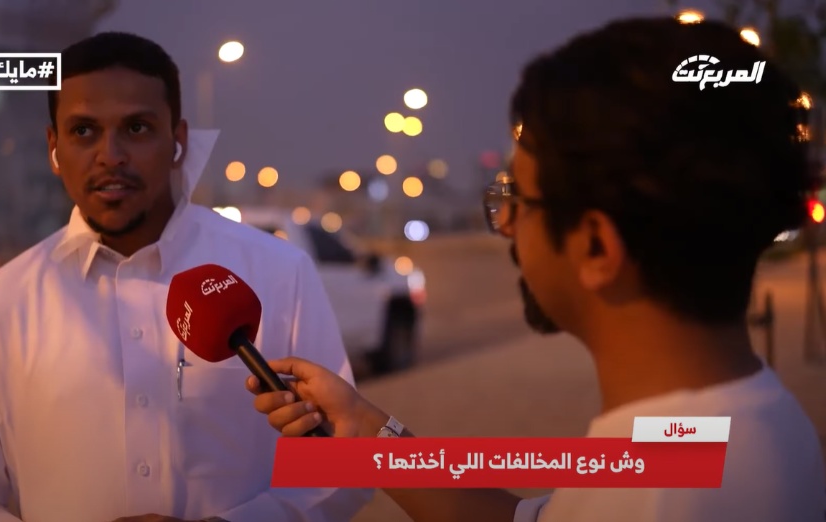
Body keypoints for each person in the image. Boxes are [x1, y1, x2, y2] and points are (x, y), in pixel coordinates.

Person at [245, 17, 826, 522]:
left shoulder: (659, 501)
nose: (505, 227)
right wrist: (366, 430)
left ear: (595, 246)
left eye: (517, 201)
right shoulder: (733, 426)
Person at [0, 32, 373, 522]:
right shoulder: (4, 300)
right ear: (54, 147)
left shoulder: (279, 272)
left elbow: (344, 468)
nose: (110, 155)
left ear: (178, 141)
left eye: (136, 128)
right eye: (84, 131)